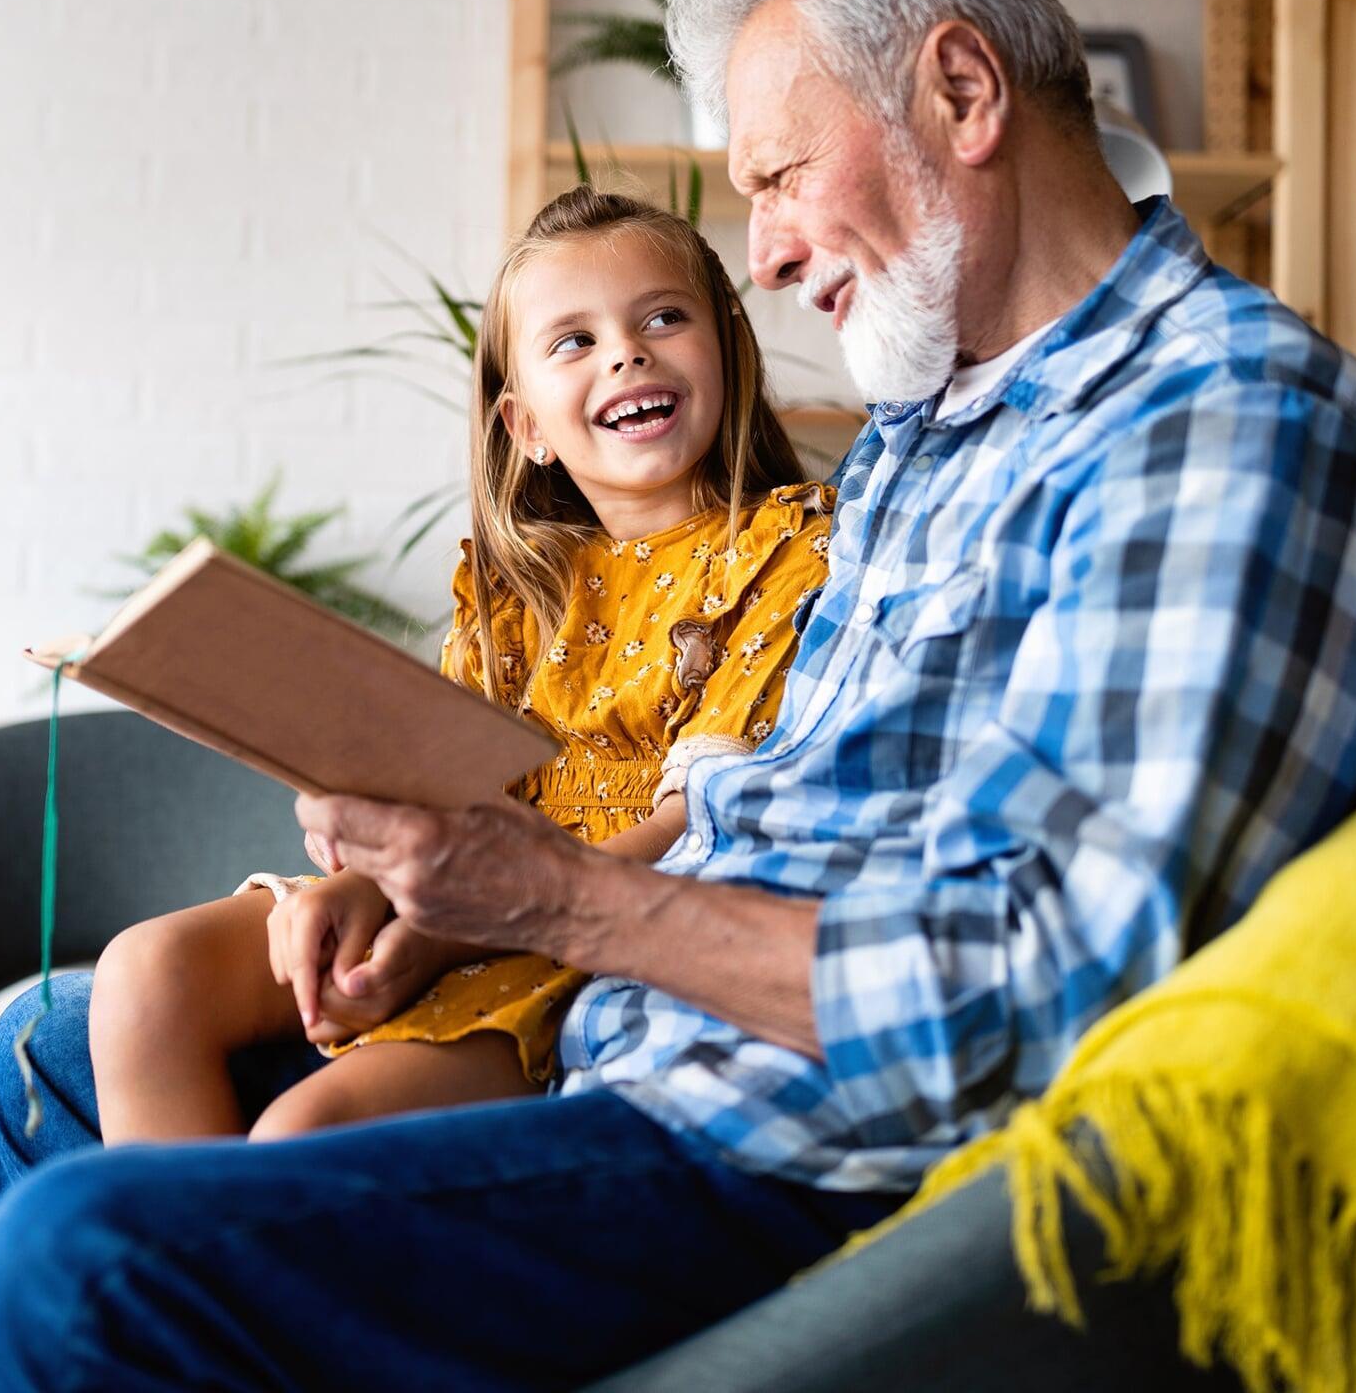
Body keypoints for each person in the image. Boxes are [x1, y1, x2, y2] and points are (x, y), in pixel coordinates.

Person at [0, 0, 1356, 1391]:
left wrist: (553, 903)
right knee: (55, 1058)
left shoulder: (1221, 425)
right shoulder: (935, 435)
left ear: (960, 91)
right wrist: (449, 911)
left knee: (84, 1265)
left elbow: (1040, 990)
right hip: (650, 1043)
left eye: (778, 176)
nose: (770, 254)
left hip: (802, 1162)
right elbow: (776, 797)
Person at [88, 186, 834, 1144]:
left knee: (303, 1135)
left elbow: (703, 818)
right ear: (525, 427)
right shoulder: (513, 586)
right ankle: (160, 1279)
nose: (626, 351)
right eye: (574, 340)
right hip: (447, 884)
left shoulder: (788, 548)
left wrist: (449, 920)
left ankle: (229, 1275)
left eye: (664, 317)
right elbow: (446, 795)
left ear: (728, 355)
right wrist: (366, 879)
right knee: (147, 974)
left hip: (601, 925)